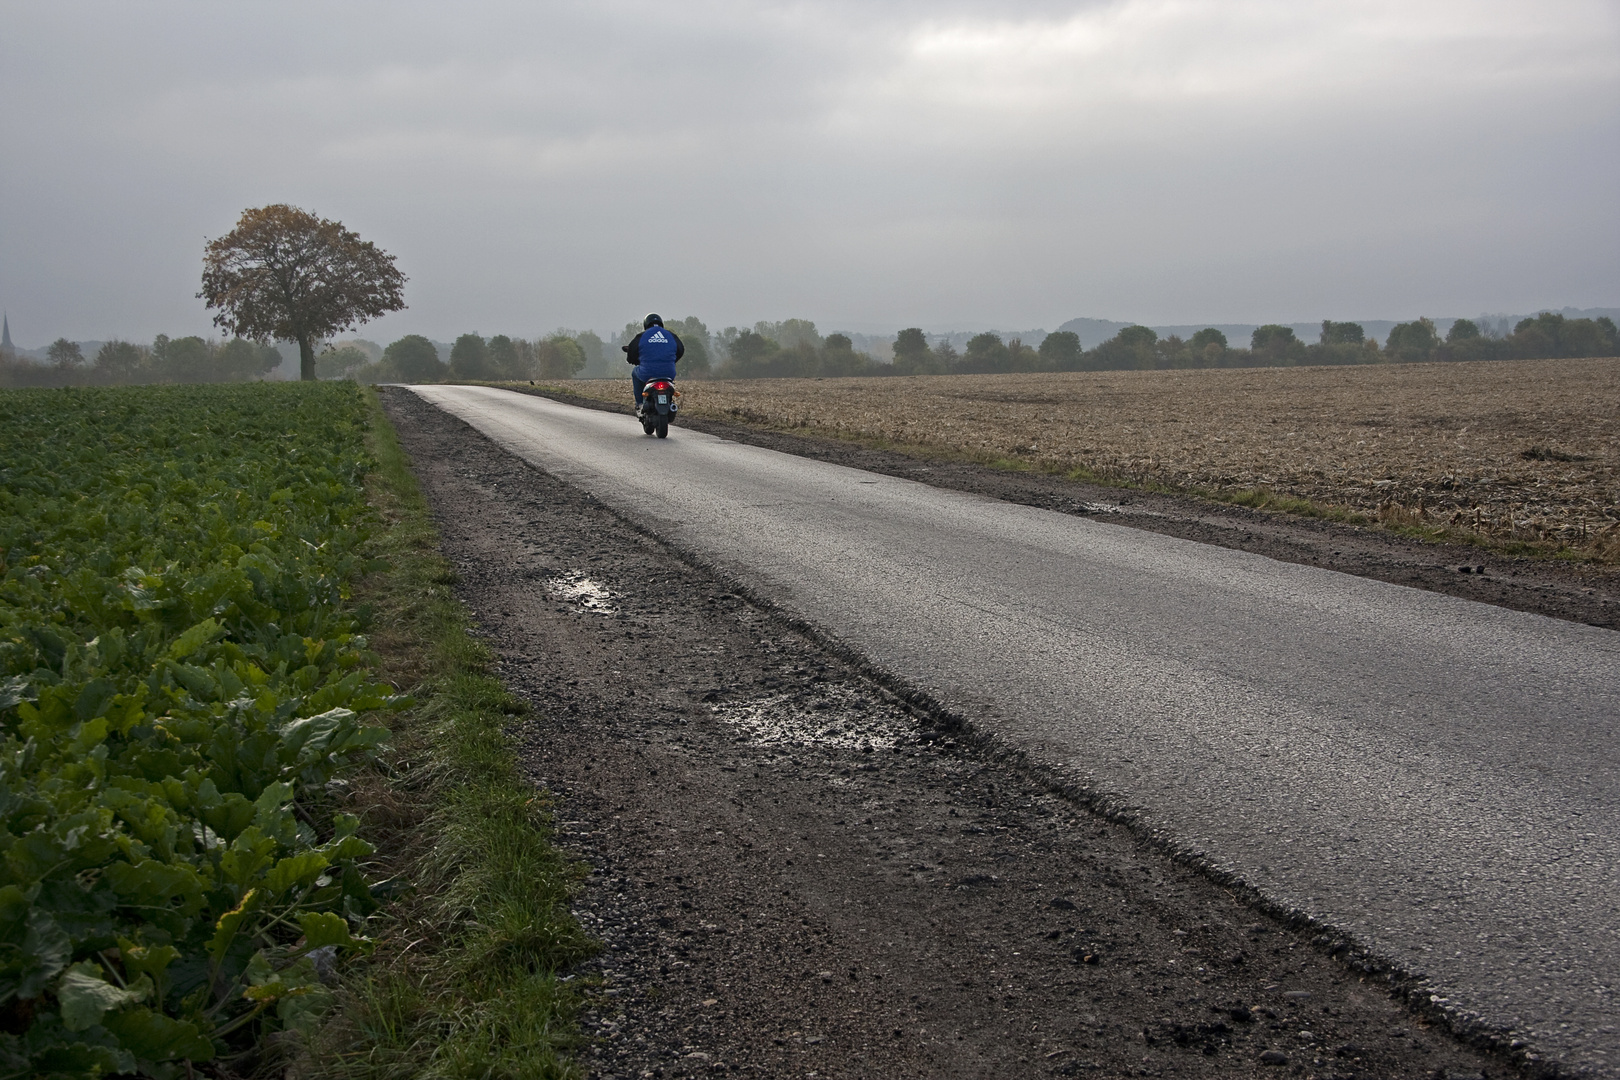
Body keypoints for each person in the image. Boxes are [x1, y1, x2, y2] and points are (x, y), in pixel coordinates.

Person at [622, 314, 684, 416]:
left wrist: (634, 361)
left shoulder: (641, 336)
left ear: (646, 324)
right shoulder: (671, 336)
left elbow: (632, 353)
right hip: (669, 373)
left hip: (647, 373)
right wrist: (671, 360)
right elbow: (680, 350)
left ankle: (639, 404)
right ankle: (669, 402)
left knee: (635, 372)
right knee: (670, 387)